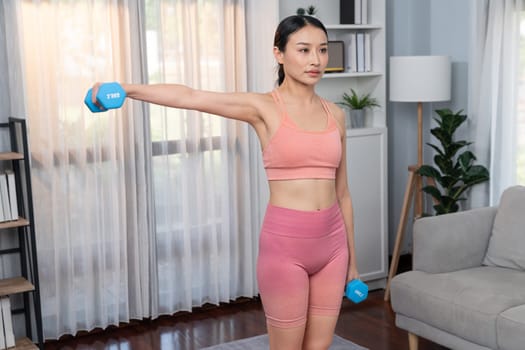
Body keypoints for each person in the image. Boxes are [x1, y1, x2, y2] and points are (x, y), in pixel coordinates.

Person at [90, 14, 359, 350]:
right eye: (303, 50)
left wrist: (353, 263)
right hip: (286, 248)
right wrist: (127, 89)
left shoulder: (336, 114)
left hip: (332, 247)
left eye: (322, 50)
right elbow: (190, 96)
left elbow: (343, 193)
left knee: (320, 347)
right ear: (279, 53)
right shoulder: (262, 107)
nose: (315, 60)